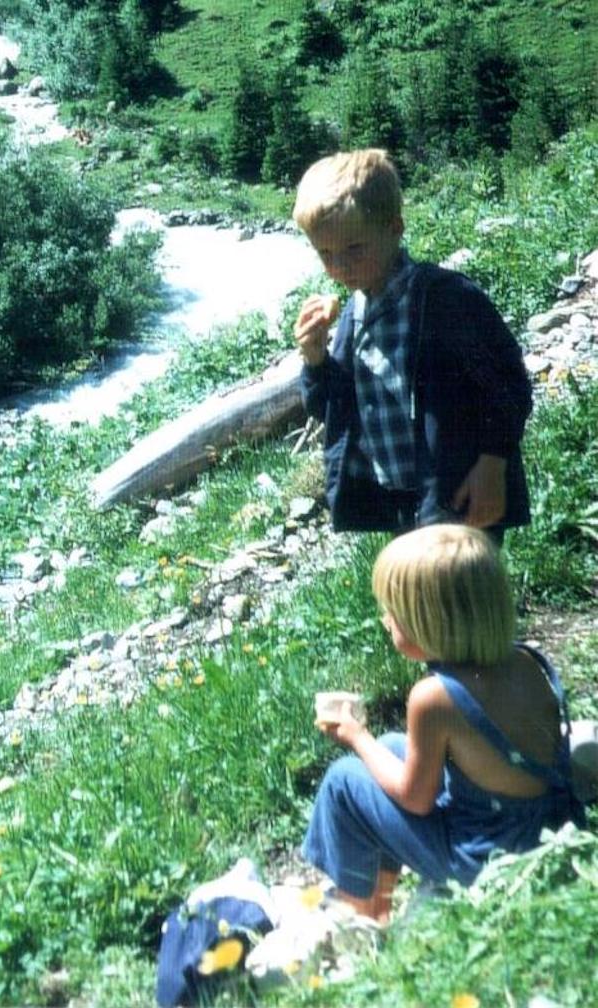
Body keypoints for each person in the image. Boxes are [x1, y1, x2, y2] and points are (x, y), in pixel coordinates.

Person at [302, 525, 584, 923]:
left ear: (429, 624)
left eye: (393, 613)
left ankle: (361, 915)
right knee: (395, 745)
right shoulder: (524, 662)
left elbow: (415, 798)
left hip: (488, 859)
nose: (385, 620)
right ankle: (379, 892)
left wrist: (356, 736)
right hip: (545, 825)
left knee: (344, 781)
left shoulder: (434, 698)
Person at [291, 149, 532, 538]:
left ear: (394, 228)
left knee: (458, 593)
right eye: (326, 253)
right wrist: (315, 360)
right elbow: (329, 411)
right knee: (419, 596)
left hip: (458, 489)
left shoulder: (445, 298)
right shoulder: (353, 313)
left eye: (354, 248)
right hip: (400, 498)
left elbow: (508, 386)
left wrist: (493, 461)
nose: (340, 267)